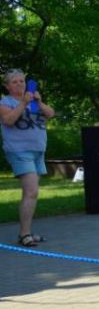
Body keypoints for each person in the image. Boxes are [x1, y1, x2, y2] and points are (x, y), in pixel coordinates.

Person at [1, 69, 55, 247]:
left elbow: (50, 114)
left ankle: (26, 232)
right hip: (19, 151)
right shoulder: (5, 102)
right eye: (15, 82)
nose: (19, 84)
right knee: (32, 191)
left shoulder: (33, 101)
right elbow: (8, 120)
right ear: (7, 86)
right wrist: (23, 103)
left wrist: (39, 102)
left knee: (30, 193)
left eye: (21, 81)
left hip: (37, 151)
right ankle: (24, 234)